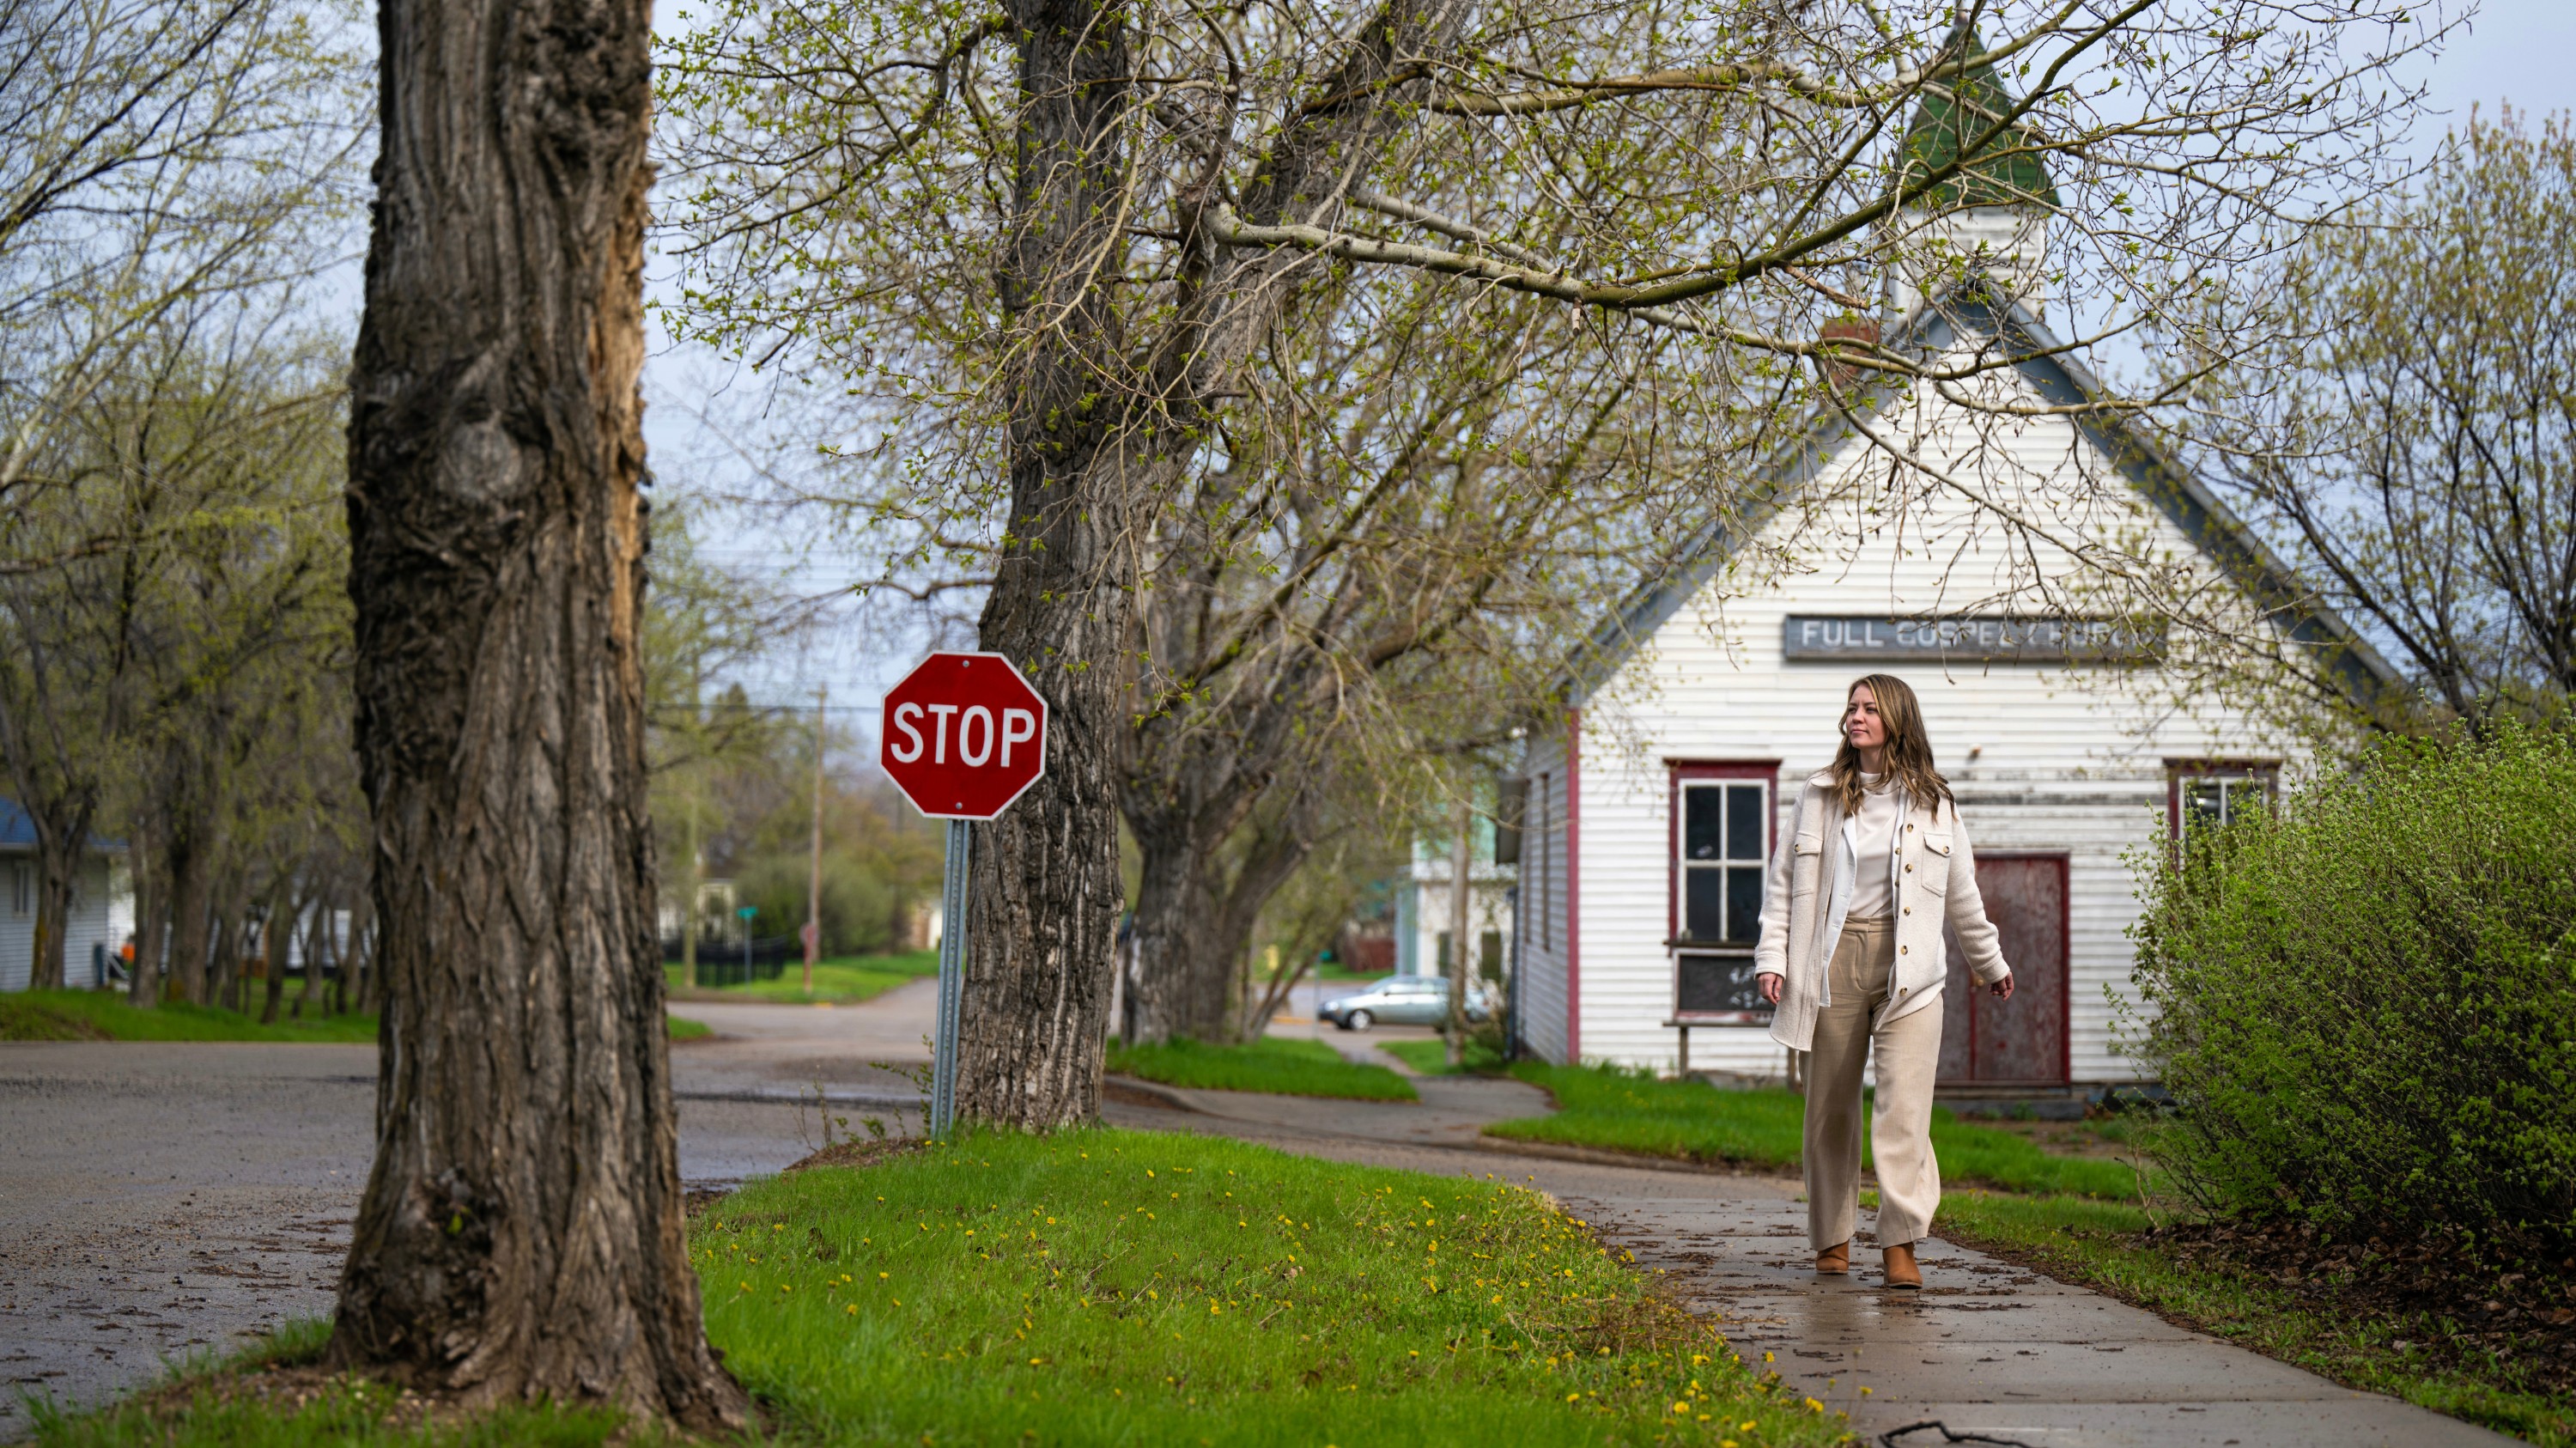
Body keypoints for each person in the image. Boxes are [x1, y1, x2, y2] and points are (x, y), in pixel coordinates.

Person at [1753, 673, 2013, 1289]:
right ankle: (1833, 1241)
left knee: (1905, 1112)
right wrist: (1773, 956)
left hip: (1912, 970)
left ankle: (1901, 1244)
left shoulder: (1935, 803)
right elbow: (1783, 883)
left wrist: (1990, 961)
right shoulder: (1818, 795)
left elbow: (1962, 894)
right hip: (1831, 962)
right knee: (1829, 1110)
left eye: (1869, 708)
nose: (1856, 717)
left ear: (1897, 719)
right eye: (1851, 707)